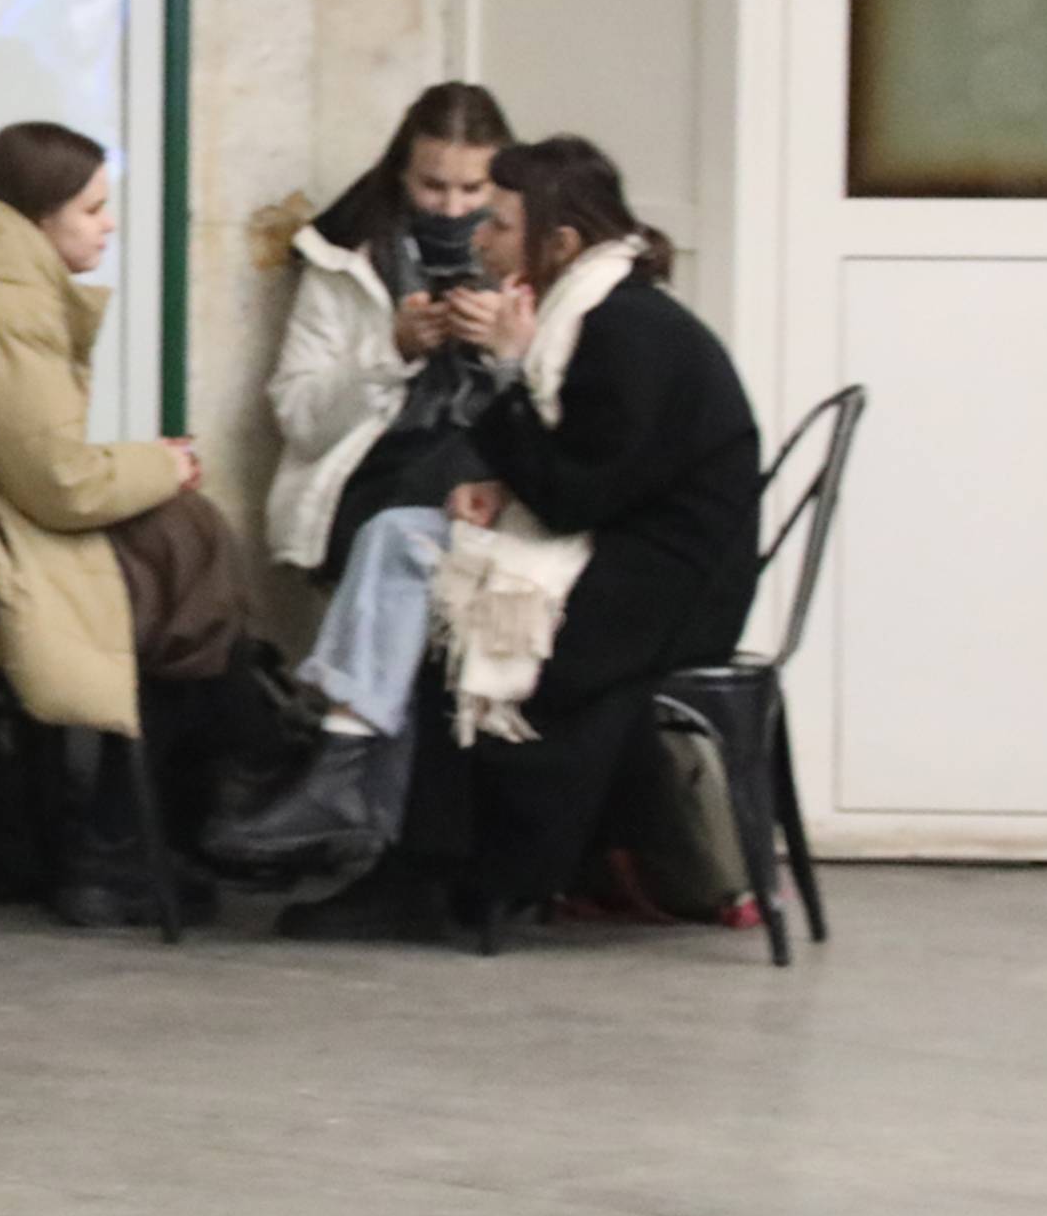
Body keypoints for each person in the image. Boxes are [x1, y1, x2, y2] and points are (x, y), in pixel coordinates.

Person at [277, 135, 761, 943]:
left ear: (560, 243)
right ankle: (436, 865)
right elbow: (598, 470)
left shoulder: (622, 329)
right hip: (646, 561)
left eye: (500, 223)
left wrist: (505, 374)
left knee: (463, 626)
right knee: (453, 597)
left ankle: (446, 873)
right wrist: (505, 485)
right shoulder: (605, 312)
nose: (480, 238)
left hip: (669, 590)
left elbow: (573, 497)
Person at [0, 120, 255, 925]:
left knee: (187, 550)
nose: (108, 224)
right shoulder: (0, 307)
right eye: (95, 209)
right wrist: (167, 462)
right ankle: (119, 845)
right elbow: (59, 485)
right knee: (196, 573)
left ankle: (139, 827)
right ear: (40, 218)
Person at [209, 83, 517, 883]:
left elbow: (583, 406)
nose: (452, 207)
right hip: (370, 475)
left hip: (504, 489)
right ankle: (370, 829)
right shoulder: (347, 255)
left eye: (471, 189)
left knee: (426, 542)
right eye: (432, 186)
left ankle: (350, 798)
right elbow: (300, 413)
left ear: (501, 186)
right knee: (402, 534)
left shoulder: (526, 247)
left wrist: (509, 350)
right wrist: (390, 348)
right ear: (400, 175)